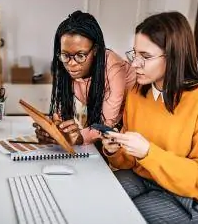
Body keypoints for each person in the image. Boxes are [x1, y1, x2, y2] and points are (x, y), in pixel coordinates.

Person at [102, 11, 198, 223]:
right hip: (143, 176)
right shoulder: (137, 92)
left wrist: (149, 152)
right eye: (134, 54)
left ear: (174, 56)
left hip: (186, 197)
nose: (135, 64)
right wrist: (115, 150)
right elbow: (129, 162)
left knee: (117, 216)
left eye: (145, 57)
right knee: (97, 197)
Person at [34, 10, 135, 145]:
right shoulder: (63, 64)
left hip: (130, 124)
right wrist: (53, 131)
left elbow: (106, 124)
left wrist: (79, 137)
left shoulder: (113, 67)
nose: (71, 64)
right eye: (65, 55)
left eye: (80, 55)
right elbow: (60, 114)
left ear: (95, 50)